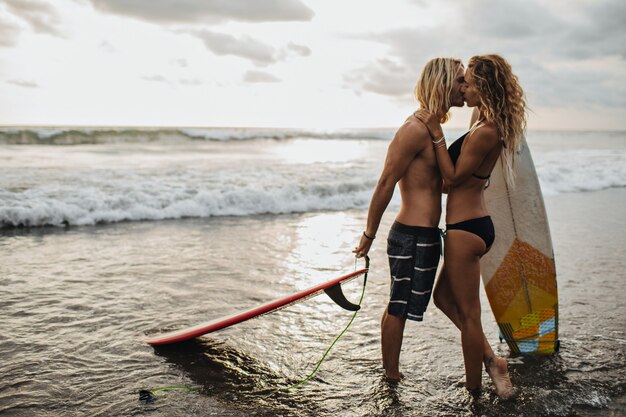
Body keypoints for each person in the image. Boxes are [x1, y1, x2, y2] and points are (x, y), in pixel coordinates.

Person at [414, 54, 527, 399]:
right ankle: (493, 360)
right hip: (473, 225)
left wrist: (434, 133)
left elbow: (451, 179)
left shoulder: (485, 133)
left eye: (469, 83)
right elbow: (467, 93)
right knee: (443, 298)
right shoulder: (484, 121)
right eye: (462, 82)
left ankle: (475, 387)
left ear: (485, 89)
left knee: (470, 314)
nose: (464, 88)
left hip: (466, 229)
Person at [353, 57, 465, 381]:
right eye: (459, 80)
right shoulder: (415, 129)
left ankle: (391, 371)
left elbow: (437, 183)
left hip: (426, 236)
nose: (463, 87)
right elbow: (386, 181)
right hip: (410, 236)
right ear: (443, 83)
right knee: (398, 305)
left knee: (399, 305)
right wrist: (368, 235)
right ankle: (391, 375)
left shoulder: (433, 127)